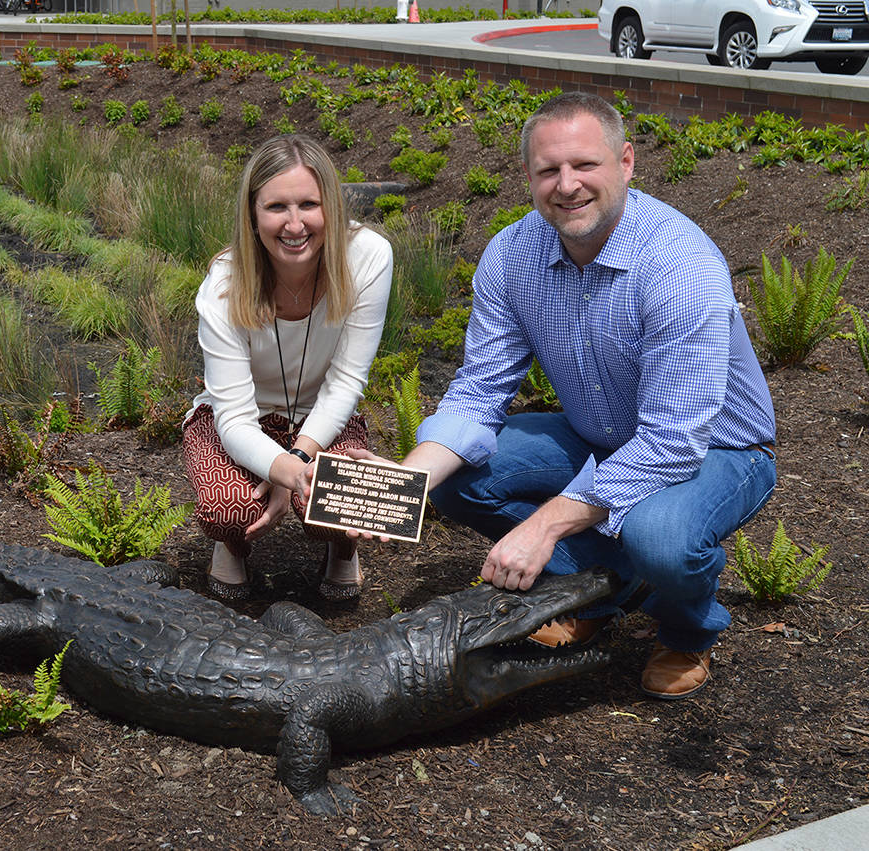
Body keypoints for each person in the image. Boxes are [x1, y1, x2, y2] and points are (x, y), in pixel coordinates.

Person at [358, 92, 776, 699]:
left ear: (626, 163)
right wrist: (404, 484)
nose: (567, 185)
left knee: (660, 539)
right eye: (549, 169)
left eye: (585, 165)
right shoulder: (511, 254)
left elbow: (673, 439)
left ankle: (687, 631)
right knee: (457, 480)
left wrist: (547, 525)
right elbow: (480, 390)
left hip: (718, 448)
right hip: (599, 434)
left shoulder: (679, 266)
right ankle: (604, 593)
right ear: (529, 176)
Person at [182, 134, 393, 602]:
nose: (294, 224)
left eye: (309, 204)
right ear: (253, 215)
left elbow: (345, 382)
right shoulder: (224, 283)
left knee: (340, 501)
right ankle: (232, 543)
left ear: (331, 208)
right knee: (230, 507)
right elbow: (233, 418)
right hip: (241, 419)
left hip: (323, 416)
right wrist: (279, 468)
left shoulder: (368, 258)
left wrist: (294, 463)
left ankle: (341, 551)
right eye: (276, 207)